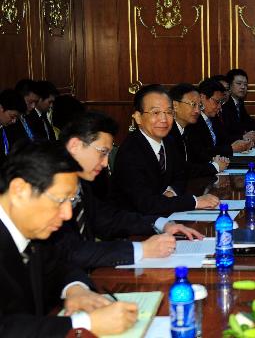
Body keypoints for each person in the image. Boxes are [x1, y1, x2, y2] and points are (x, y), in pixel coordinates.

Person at [0, 142, 137, 337]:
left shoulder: (34, 232)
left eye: (71, 201)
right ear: (19, 190)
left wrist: (75, 289)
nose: (67, 214)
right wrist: (85, 323)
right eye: (60, 200)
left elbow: (59, 268)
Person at [50, 111, 203, 270]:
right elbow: (69, 252)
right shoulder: (48, 187)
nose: (104, 164)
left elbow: (109, 219)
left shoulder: (80, 181)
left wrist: (162, 224)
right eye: (102, 152)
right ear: (75, 145)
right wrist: (142, 249)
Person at [109, 84, 219, 215]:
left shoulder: (167, 141)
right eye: (156, 112)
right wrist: (195, 202)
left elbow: (181, 174)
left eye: (168, 112)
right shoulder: (131, 152)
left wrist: (171, 191)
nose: (163, 119)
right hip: (136, 223)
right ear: (138, 117)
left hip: (164, 214)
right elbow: (145, 203)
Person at [168, 83, 229, 177]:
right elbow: (181, 169)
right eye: (193, 105)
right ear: (175, 105)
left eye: (199, 106)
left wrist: (215, 160)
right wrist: (215, 167)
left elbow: (198, 156)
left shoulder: (188, 129)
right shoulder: (167, 133)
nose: (197, 111)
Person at [186, 78, 253, 161]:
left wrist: (241, 141)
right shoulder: (194, 121)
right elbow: (200, 153)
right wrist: (231, 149)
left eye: (221, 103)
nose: (219, 107)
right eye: (217, 102)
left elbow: (223, 139)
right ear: (202, 98)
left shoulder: (214, 118)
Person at [220, 68, 255, 142]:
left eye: (245, 84)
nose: (243, 87)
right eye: (239, 83)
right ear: (229, 86)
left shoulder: (239, 101)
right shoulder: (224, 103)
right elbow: (234, 129)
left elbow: (247, 121)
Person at [6, 79, 40, 145]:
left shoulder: (32, 116)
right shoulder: (9, 121)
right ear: (19, 98)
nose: (33, 106)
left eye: (35, 102)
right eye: (30, 102)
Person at [0, 89, 27, 164]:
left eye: (16, 118)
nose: (14, 121)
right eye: (12, 116)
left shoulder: (8, 127)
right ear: (1, 108)